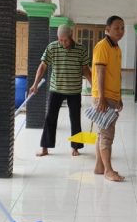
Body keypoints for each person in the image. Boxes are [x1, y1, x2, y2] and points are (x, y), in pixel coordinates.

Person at [30, 24, 91, 157]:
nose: (63, 43)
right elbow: (42, 66)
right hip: (56, 89)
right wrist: (35, 84)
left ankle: (76, 147)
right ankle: (45, 147)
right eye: (60, 40)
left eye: (65, 40)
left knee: (75, 119)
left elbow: (86, 69)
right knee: (50, 118)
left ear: (71, 36)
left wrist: (95, 87)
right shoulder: (52, 47)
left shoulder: (80, 49)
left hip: (74, 90)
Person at [91, 15, 125, 182]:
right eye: (117, 28)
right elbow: (100, 72)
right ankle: (108, 170)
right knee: (106, 134)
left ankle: (99, 166)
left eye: (122, 28)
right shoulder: (102, 46)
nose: (121, 31)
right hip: (103, 97)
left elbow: (116, 74)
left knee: (101, 132)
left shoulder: (116, 48)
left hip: (112, 96)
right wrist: (102, 98)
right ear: (107, 30)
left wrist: (119, 96)